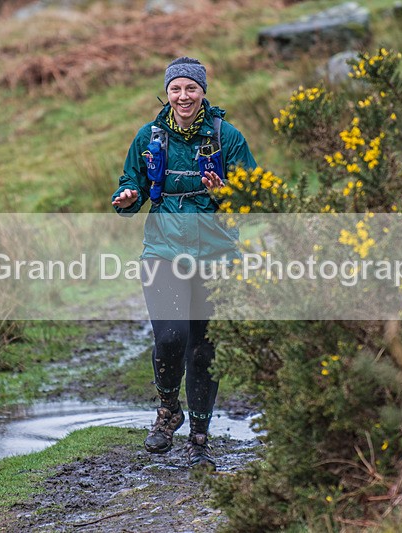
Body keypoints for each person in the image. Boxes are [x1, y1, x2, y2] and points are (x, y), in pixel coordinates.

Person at [111, 57, 256, 469]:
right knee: (171, 337)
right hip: (162, 252)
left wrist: (227, 193)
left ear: (203, 91)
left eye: (191, 88)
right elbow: (132, 184)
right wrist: (127, 198)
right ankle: (169, 409)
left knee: (204, 350)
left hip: (216, 255)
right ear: (168, 93)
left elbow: (253, 199)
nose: (183, 96)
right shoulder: (149, 136)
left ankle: (199, 439)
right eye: (175, 88)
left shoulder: (228, 137)